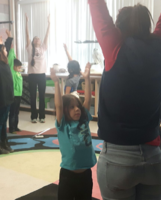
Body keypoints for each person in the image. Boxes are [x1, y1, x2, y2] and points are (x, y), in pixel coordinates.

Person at [88, 0, 161, 199]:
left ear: (118, 29)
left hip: (118, 160)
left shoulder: (115, 47)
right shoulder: (158, 48)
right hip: (154, 158)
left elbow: (98, 8)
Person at [51, 63, 97, 200]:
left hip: (85, 174)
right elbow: (59, 105)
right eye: (71, 107)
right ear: (65, 111)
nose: (77, 109)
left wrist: (87, 79)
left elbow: (87, 100)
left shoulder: (84, 120)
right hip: (68, 175)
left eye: (77, 106)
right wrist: (56, 83)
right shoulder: (63, 124)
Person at [25, 13, 50, 123]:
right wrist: (26, 22)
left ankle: (42, 116)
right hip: (32, 75)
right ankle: (33, 116)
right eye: (35, 39)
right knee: (33, 96)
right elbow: (27, 35)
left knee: (41, 96)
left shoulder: (43, 48)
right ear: (33, 41)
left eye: (38, 39)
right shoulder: (30, 48)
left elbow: (47, 35)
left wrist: (49, 23)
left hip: (41, 75)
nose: (37, 40)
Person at [7, 45, 23, 133]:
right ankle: (11, 128)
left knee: (17, 112)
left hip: (18, 95)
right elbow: (11, 59)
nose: (19, 69)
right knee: (12, 113)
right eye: (18, 67)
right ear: (13, 67)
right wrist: (12, 48)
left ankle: (16, 126)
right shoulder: (12, 72)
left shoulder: (18, 73)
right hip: (13, 95)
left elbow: (15, 59)